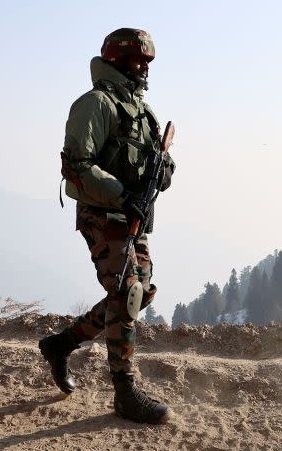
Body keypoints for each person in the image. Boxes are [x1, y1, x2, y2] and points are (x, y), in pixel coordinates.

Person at [39, 28, 176, 424]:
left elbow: (160, 167)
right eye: (138, 61)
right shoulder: (96, 104)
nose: (144, 68)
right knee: (128, 292)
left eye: (148, 62)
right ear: (117, 60)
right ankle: (124, 391)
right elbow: (77, 166)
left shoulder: (143, 111)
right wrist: (122, 194)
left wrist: (161, 170)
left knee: (137, 293)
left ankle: (61, 345)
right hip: (103, 215)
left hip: (132, 215)